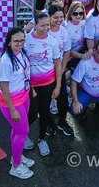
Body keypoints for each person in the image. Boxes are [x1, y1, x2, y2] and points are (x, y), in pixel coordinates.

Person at [0, 27, 36, 180]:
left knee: (17, 129)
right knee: (23, 131)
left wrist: (31, 89)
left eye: (22, 40)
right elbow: (3, 86)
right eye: (16, 41)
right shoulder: (6, 61)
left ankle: (17, 156)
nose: (19, 44)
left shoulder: (22, 53)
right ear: (9, 43)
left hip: (24, 97)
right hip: (12, 103)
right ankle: (16, 166)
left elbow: (25, 74)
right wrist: (12, 109)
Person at [25, 11, 62, 157]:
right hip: (31, 85)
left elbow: (57, 64)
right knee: (32, 113)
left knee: (45, 112)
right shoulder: (26, 40)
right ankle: (23, 134)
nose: (45, 28)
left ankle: (42, 139)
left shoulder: (53, 41)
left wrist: (58, 86)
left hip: (48, 83)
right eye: (42, 25)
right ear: (35, 25)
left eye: (47, 25)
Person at [47, 5, 74, 137]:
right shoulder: (44, 30)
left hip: (60, 70)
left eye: (61, 17)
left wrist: (62, 69)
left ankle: (62, 121)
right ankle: (47, 123)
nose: (59, 20)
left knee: (62, 98)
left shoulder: (64, 31)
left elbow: (67, 51)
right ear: (49, 17)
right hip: (45, 73)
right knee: (46, 98)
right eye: (55, 17)